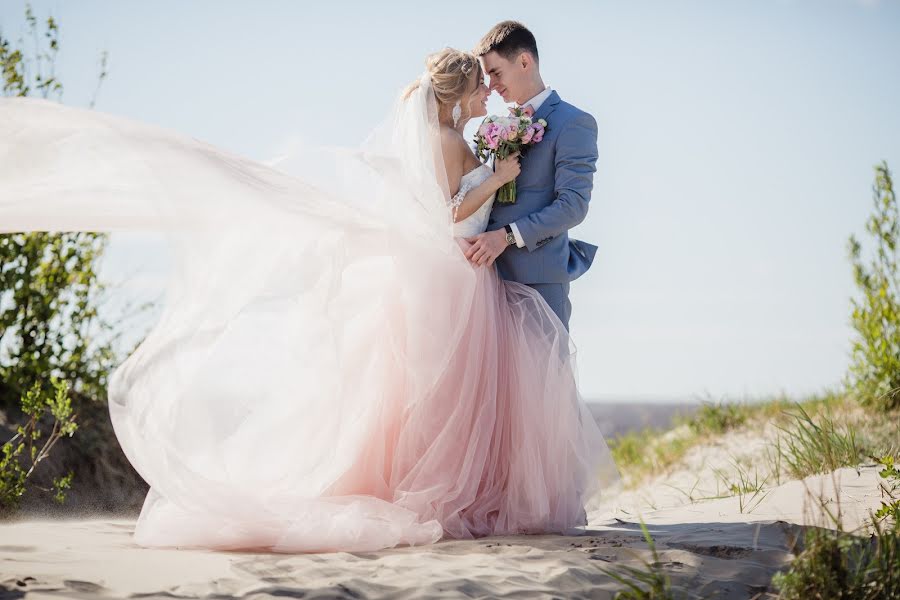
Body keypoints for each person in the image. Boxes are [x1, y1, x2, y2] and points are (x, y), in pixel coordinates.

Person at [0, 44, 617, 554]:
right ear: (459, 95)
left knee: (429, 395)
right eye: (481, 84)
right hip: (458, 274)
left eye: (494, 79)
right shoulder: (453, 143)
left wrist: (495, 181)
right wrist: (502, 178)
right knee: (451, 396)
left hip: (456, 271)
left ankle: (432, 484)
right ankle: (454, 492)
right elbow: (450, 212)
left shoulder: (443, 138)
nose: (489, 92)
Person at [465, 21, 599, 331]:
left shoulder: (574, 123)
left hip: (537, 283)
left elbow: (573, 205)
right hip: (486, 281)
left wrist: (506, 235)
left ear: (524, 61)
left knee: (541, 381)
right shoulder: (492, 127)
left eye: (496, 73)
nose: (492, 86)